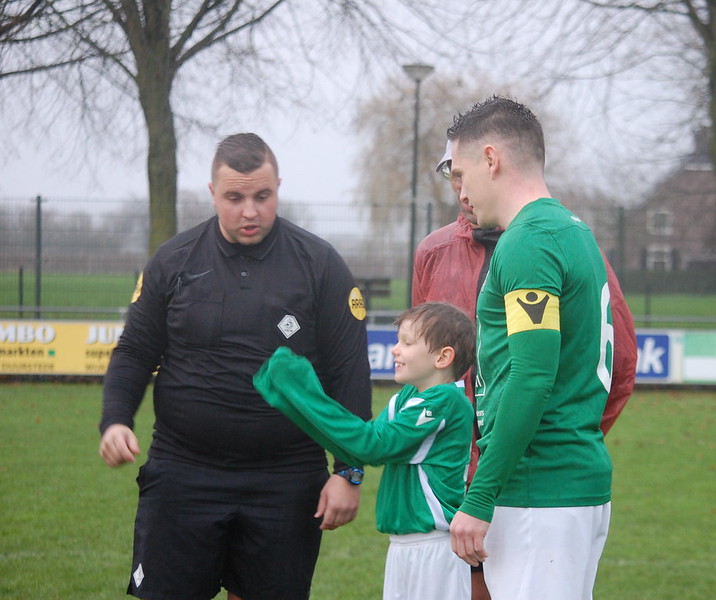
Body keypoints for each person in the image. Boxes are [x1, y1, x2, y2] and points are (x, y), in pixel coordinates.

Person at [98, 132, 372, 600]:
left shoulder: (320, 264)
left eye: (262, 196)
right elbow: (134, 351)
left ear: (278, 188)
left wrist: (348, 472)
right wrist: (115, 419)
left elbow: (349, 370)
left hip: (285, 479)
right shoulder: (173, 261)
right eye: (235, 197)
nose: (250, 211)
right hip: (184, 471)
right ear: (212, 193)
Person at [413, 140, 637, 600]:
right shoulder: (573, 230)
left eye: (462, 171)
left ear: (491, 159)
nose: (460, 190)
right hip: (573, 484)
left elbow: (532, 377)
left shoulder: (528, 240)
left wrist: (479, 495)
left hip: (538, 488)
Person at [252, 302, 477, 600]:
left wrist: (303, 393)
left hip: (433, 547)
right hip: (404, 545)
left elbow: (372, 445)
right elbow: (359, 449)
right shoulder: (409, 396)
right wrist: (293, 400)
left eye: (407, 343)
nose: (396, 350)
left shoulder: (447, 401)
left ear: (443, 357)